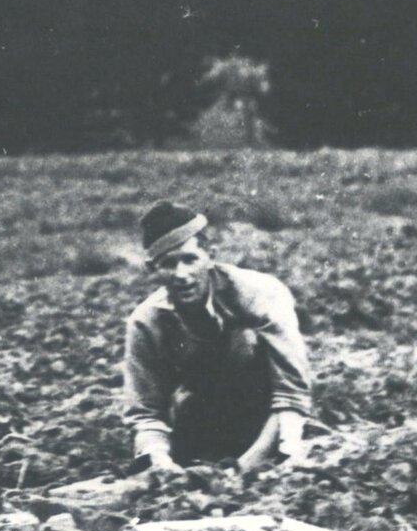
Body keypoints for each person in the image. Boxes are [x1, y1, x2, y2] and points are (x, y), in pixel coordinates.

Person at [122, 200, 312, 477]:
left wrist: (245, 467)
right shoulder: (146, 322)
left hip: (264, 415)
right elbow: (145, 411)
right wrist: (162, 463)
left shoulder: (259, 295)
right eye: (168, 264)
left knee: (244, 340)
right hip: (200, 420)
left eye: (190, 259)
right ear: (153, 269)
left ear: (209, 255)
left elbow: (290, 392)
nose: (181, 275)